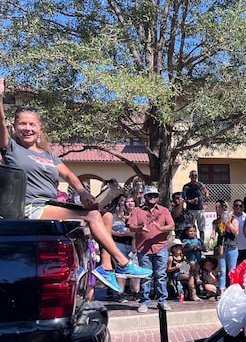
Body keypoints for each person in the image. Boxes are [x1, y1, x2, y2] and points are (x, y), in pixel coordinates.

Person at [0, 81, 151, 292]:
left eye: (32, 124)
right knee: (91, 216)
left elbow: (69, 174)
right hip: (30, 208)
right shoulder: (12, 149)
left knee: (105, 216)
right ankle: (123, 264)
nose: (27, 128)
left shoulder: (48, 155)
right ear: (14, 127)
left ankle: (106, 267)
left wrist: (82, 191)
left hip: (51, 205)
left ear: (40, 129)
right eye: (22, 124)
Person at [128, 185, 175, 313]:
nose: (153, 198)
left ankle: (162, 301)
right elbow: (130, 226)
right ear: (145, 196)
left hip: (160, 247)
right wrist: (139, 229)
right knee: (146, 276)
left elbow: (171, 225)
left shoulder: (164, 210)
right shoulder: (137, 210)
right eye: (150, 195)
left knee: (160, 275)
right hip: (143, 248)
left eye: (155, 195)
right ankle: (144, 302)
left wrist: (161, 229)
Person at [209, 199, 239, 297]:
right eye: (216, 207)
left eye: (219, 207)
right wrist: (211, 240)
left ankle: (233, 289)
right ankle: (222, 289)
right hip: (221, 247)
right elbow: (213, 233)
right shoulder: (216, 222)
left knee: (232, 270)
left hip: (232, 247)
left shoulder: (233, 219)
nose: (218, 209)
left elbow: (236, 232)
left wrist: (228, 224)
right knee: (222, 270)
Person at [182, 170, 208, 239]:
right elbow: (183, 198)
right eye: (192, 175)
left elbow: (207, 193)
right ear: (189, 176)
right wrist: (190, 201)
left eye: (195, 175)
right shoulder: (186, 186)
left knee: (201, 229)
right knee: (191, 228)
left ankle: (202, 244)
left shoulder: (200, 185)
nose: (194, 177)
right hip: (190, 209)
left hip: (200, 209)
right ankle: (194, 243)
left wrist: (205, 203)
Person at [231, 199, 246, 264]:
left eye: (240, 206)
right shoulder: (229, 218)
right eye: (236, 206)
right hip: (234, 248)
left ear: (243, 207)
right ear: (233, 207)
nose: (238, 207)